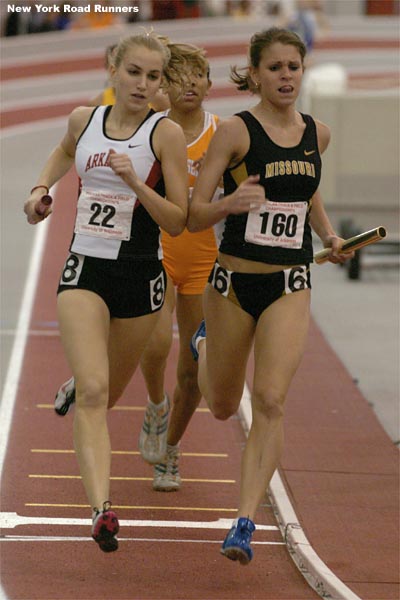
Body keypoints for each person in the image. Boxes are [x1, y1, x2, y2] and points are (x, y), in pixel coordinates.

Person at [187, 27, 353, 565]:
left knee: (271, 401)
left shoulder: (318, 133)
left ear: (303, 72)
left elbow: (306, 192)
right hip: (233, 286)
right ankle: (205, 345)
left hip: (290, 283)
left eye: (293, 67)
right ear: (255, 73)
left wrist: (328, 236)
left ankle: (244, 522)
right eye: (275, 68)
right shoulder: (235, 132)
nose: (286, 77)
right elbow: (194, 212)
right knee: (218, 404)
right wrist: (231, 203)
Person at [24, 31, 190, 553]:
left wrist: (139, 185)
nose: (143, 84)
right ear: (114, 70)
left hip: (140, 275)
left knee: (108, 393)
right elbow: (61, 151)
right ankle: (101, 510)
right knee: (96, 394)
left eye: (154, 76)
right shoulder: (85, 120)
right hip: (86, 268)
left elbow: (179, 221)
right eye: (134, 73)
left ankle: (79, 384)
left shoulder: (165, 136)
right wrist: (39, 190)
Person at [139, 44, 221, 491]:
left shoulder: (224, 134)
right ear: (161, 85)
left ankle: (170, 449)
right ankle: (155, 403)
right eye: (178, 75)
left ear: (210, 82)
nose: (189, 83)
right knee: (154, 345)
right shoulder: (149, 131)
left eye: (197, 74)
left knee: (192, 369)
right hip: (156, 252)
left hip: (204, 261)